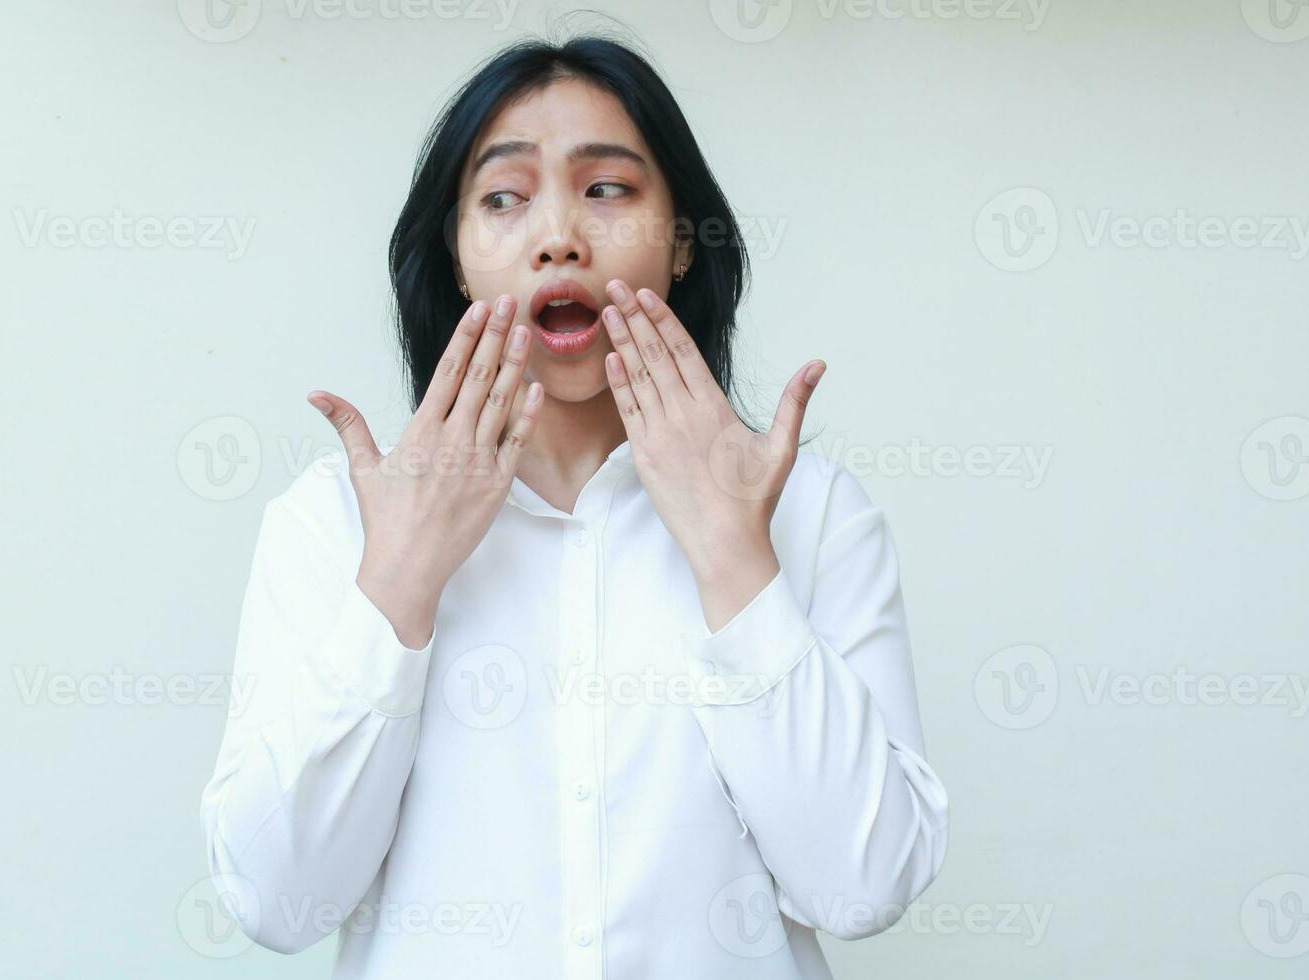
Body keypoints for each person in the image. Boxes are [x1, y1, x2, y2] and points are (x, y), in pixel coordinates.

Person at [199, 32, 949, 979]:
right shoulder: (333, 522)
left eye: (607, 190)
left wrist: (732, 556)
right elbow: (274, 900)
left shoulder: (811, 514)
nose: (558, 235)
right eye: (503, 199)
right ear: (458, 261)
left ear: (684, 242)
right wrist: (400, 578)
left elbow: (864, 886)